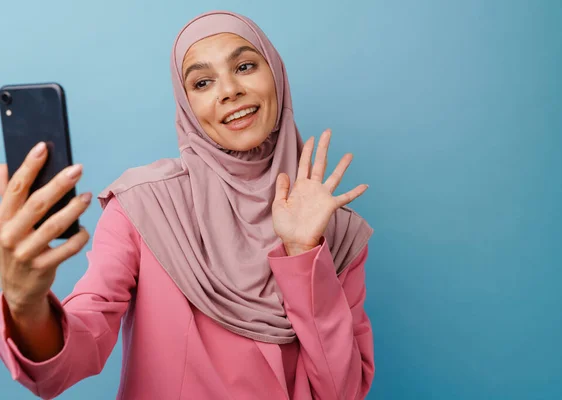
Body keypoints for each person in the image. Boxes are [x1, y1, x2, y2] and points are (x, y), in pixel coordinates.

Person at [0, 10, 374, 399]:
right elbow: (73, 355)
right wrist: (26, 305)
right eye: (202, 82)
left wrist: (303, 253)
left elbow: (339, 391)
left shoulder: (337, 230)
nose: (229, 90)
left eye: (245, 66)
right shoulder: (145, 207)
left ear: (277, 77)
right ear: (186, 104)